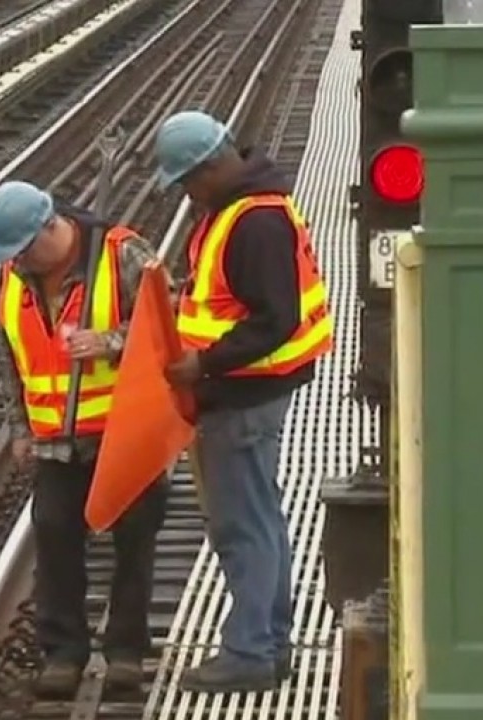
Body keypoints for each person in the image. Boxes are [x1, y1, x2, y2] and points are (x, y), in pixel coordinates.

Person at [151, 111, 334, 693]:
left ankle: (251, 652)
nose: (185, 192)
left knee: (242, 526)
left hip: (244, 396)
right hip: (250, 391)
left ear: (209, 169)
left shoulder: (253, 222)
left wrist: (201, 364)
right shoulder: (242, 211)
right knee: (261, 519)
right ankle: (270, 641)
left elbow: (273, 318)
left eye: (185, 181)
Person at [0, 180, 171, 697]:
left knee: (134, 540)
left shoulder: (124, 253)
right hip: (54, 441)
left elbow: (173, 321)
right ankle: (63, 652)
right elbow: (7, 355)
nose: (20, 262)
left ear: (51, 227)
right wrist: (19, 428)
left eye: (25, 250)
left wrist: (111, 342)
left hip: (126, 430)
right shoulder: (11, 276)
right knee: (54, 537)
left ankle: (127, 650)